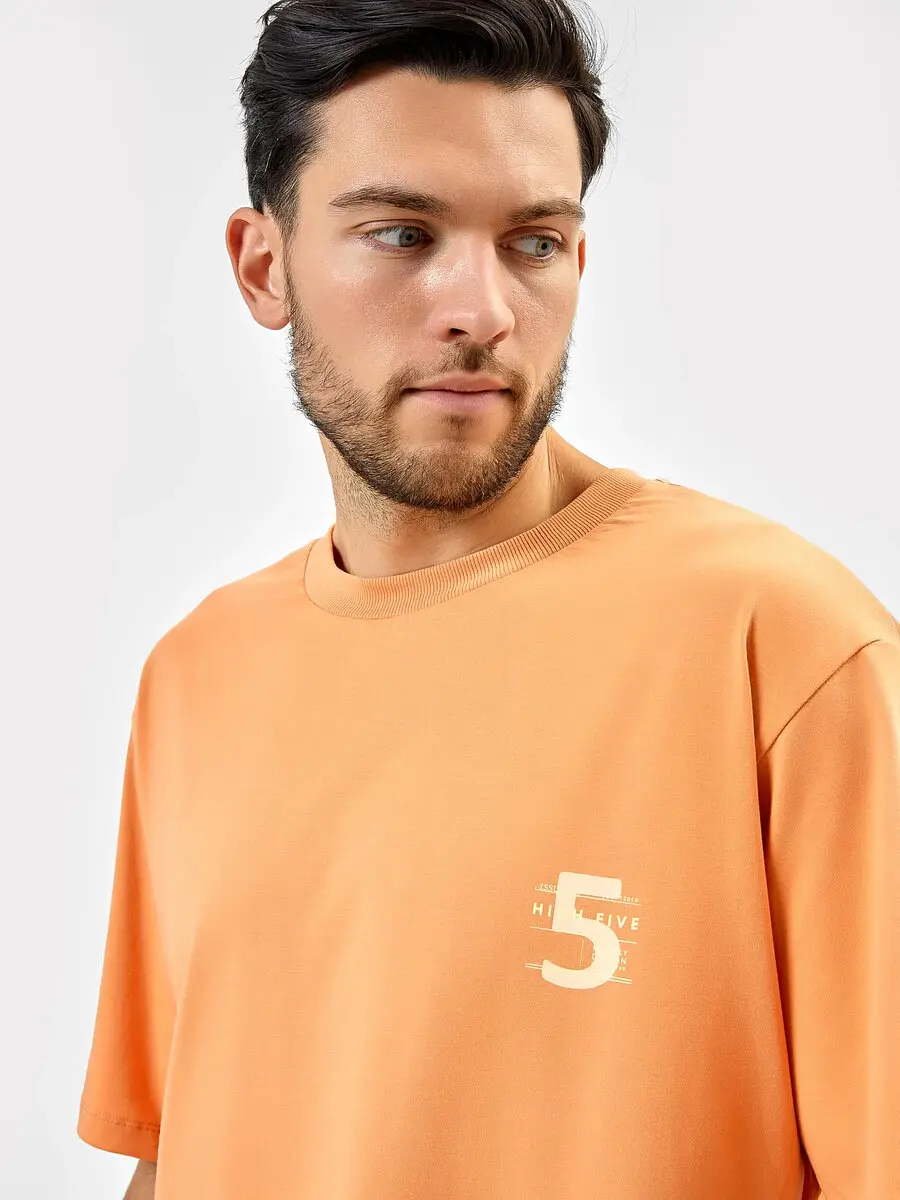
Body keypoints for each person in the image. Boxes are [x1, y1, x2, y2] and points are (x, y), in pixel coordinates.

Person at [76, 1, 900, 1197]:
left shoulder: (784, 650)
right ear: (264, 267)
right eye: (401, 235)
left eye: (533, 241)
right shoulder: (196, 676)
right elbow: (176, 1149)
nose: (483, 308)